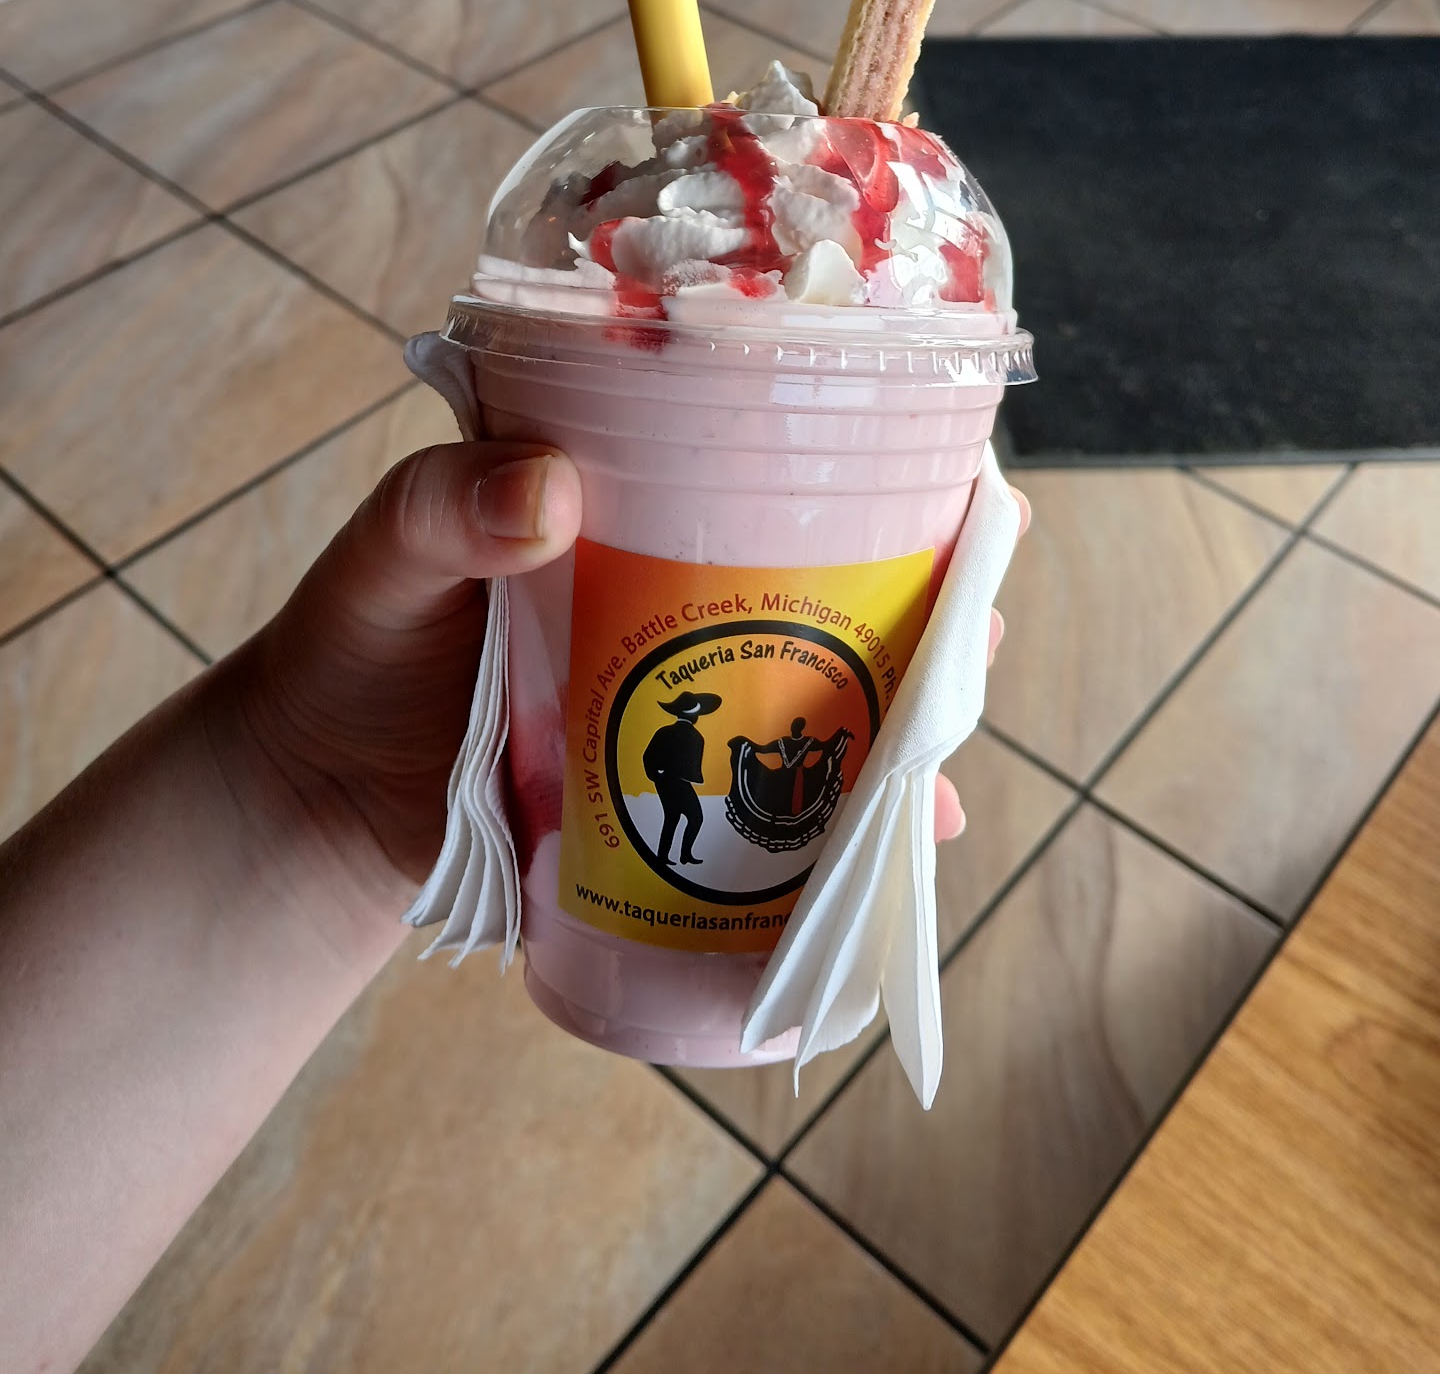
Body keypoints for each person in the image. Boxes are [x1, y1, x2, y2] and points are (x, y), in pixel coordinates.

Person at [0, 437, 1024, 1373]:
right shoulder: (674, 736)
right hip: (603, 806)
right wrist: (312, 780)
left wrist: (320, 793)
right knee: (691, 820)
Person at [643, 690, 718, 866]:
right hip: (678, 783)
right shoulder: (696, 737)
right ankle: (681, 855)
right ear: (694, 716)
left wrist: (656, 777)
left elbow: (647, 756)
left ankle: (665, 856)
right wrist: (658, 777)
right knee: (695, 817)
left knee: (672, 818)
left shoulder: (665, 732)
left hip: (666, 781)